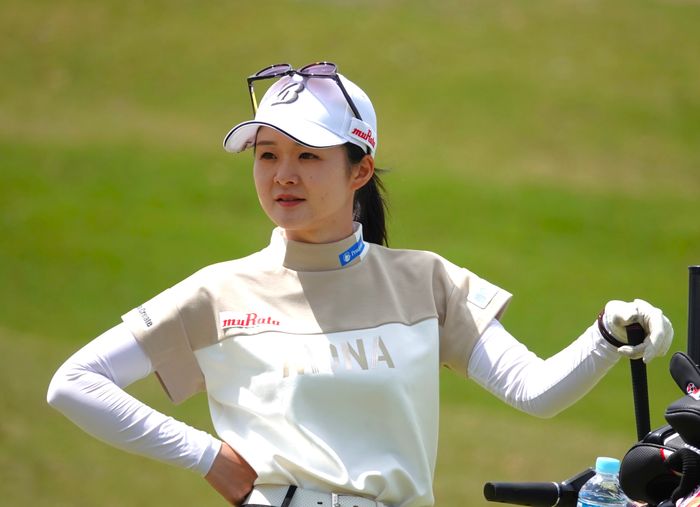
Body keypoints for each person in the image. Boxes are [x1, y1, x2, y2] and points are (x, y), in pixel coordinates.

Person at [47, 61, 674, 507]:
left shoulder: (425, 280)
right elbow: (74, 383)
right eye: (267, 154)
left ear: (360, 169)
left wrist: (605, 335)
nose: (282, 175)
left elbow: (535, 392)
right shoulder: (219, 292)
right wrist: (206, 457)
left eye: (308, 156)